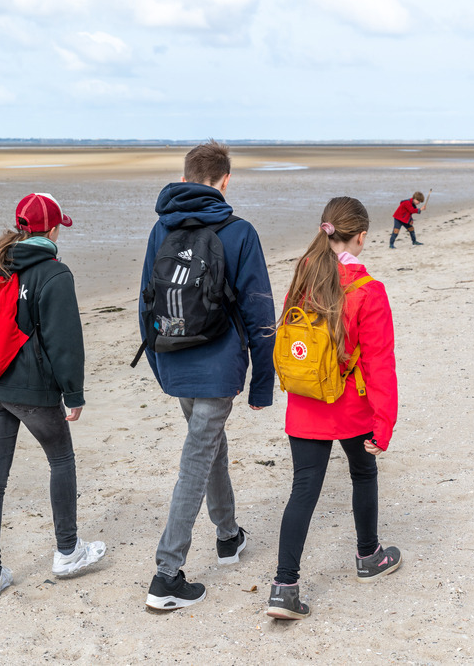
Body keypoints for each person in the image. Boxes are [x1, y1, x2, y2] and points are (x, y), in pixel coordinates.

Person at [138, 140, 276, 610]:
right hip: (218, 367)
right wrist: (262, 382)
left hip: (174, 358)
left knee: (209, 444)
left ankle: (228, 535)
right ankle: (166, 575)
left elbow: (145, 303)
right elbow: (260, 315)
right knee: (196, 460)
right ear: (225, 180)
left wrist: (160, 366)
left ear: (183, 178)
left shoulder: (162, 228)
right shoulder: (240, 232)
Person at [266, 196, 401, 620]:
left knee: (303, 489)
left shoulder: (304, 275)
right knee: (363, 473)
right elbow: (379, 362)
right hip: (351, 407)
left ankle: (283, 588)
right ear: (361, 237)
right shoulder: (368, 291)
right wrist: (385, 422)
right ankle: (368, 556)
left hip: (305, 402)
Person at [0, 193, 106, 603]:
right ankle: (67, 551)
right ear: (52, 228)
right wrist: (74, 393)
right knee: (61, 458)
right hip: (31, 389)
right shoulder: (53, 272)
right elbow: (64, 342)